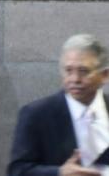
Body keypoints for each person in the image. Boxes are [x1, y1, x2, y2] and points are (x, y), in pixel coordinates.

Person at [8, 34, 109, 175]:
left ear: (104, 75)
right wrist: (58, 173)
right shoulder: (36, 114)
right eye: (68, 71)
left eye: (83, 71)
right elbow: (17, 171)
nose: (75, 79)